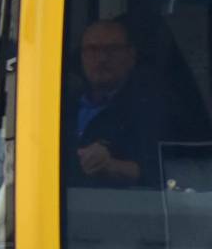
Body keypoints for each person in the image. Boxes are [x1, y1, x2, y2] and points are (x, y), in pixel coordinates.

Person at [69, 18, 169, 189]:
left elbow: (161, 174)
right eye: (92, 49)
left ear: (131, 56)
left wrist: (111, 165)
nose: (102, 58)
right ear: (81, 56)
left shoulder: (151, 109)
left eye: (112, 49)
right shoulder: (62, 104)